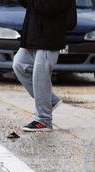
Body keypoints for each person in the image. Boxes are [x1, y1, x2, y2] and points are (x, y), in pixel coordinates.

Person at [13, 0, 74, 132]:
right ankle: (50, 100)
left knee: (40, 76)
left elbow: (49, 7)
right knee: (19, 64)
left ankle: (44, 120)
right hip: (33, 36)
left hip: (50, 38)